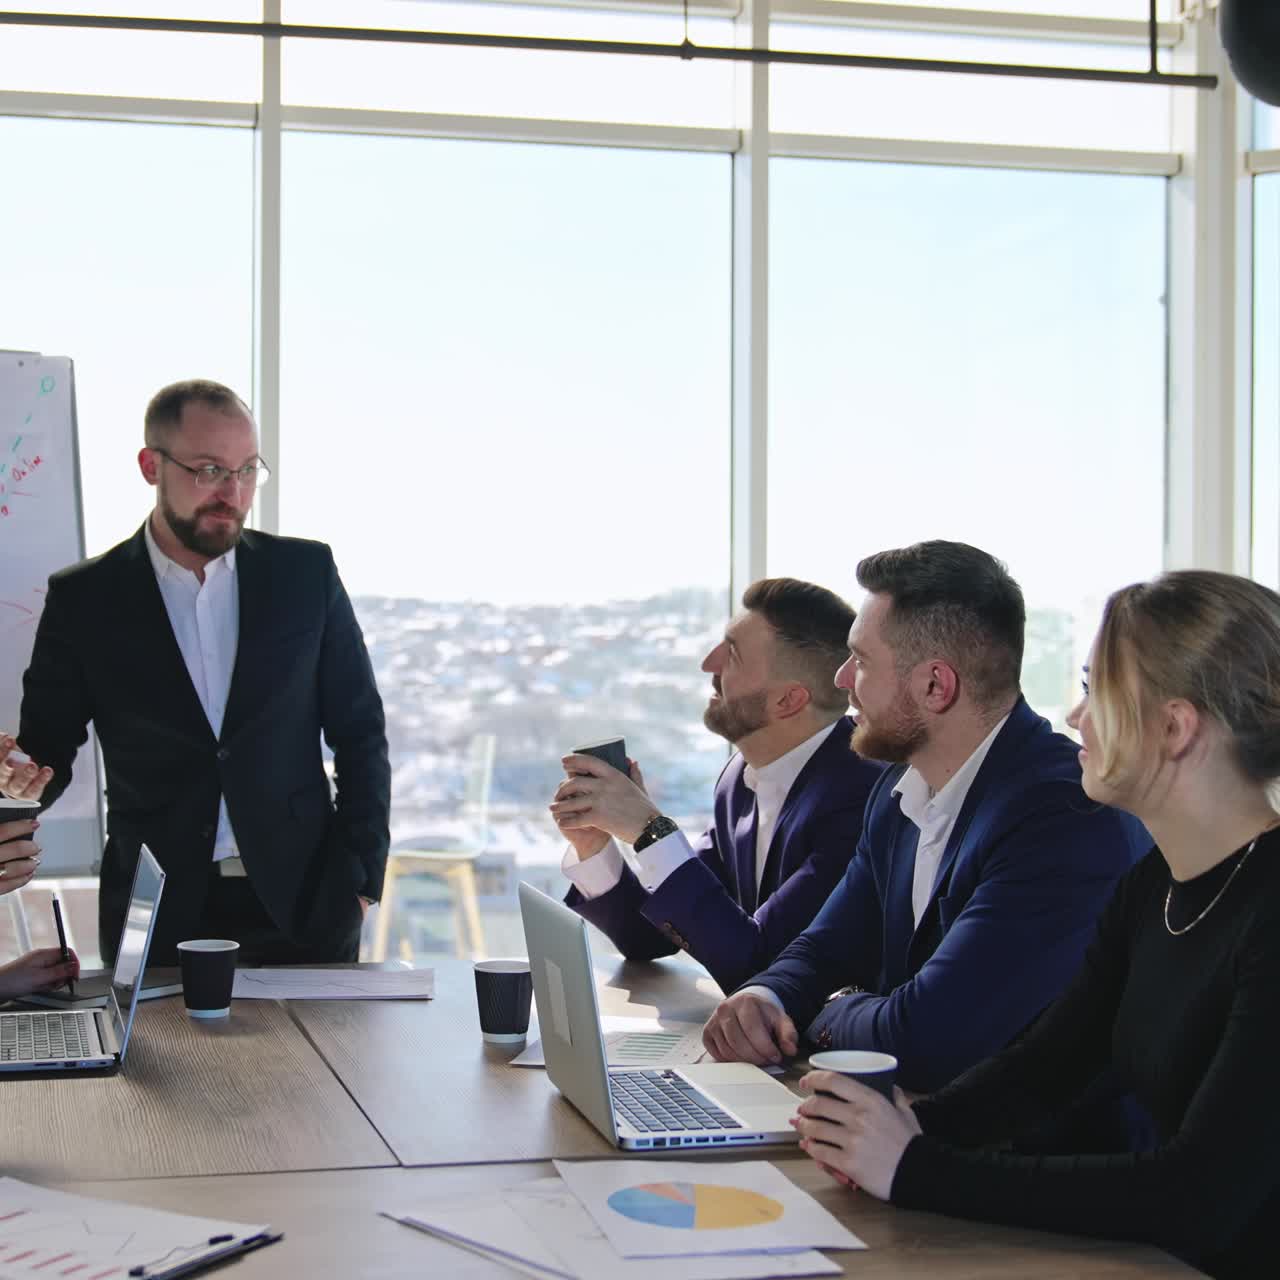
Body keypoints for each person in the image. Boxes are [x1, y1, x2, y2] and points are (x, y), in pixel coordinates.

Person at [790, 569, 1280, 1280]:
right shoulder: (1154, 886)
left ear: (1174, 728)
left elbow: (1196, 1193)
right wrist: (904, 1123)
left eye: (1093, 691)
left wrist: (915, 1166)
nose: (1075, 717)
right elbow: (1045, 1069)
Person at [702, 541, 1148, 1093]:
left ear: (936, 686)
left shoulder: (1061, 815)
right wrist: (763, 997)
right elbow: (826, 945)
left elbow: (926, 1039)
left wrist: (832, 1008)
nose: (841, 680)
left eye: (860, 661)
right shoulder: (895, 787)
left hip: (1027, 1165)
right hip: (908, 1129)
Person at [8, 380, 390, 965]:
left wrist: (362, 880)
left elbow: (360, 732)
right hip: (154, 913)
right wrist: (14, 784)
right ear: (149, 465)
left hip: (308, 906)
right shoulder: (86, 598)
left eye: (246, 471)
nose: (231, 492)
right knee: (167, 1062)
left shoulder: (305, 574)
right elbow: (46, 752)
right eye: (209, 469)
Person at [550, 578, 883, 993]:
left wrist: (650, 831)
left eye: (733, 655)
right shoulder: (738, 780)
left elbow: (761, 965)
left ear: (787, 701)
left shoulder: (859, 796)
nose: (709, 663)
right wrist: (595, 845)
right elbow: (650, 935)